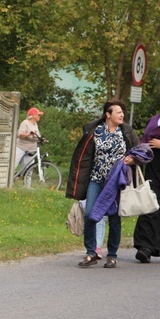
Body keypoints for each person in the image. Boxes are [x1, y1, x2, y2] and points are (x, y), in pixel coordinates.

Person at [66, 100, 139, 268]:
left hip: (116, 182)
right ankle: (91, 253)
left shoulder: (126, 132)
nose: (122, 115)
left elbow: (141, 151)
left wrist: (132, 159)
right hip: (96, 179)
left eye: (122, 112)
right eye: (118, 112)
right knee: (90, 214)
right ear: (108, 114)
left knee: (114, 218)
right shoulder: (95, 131)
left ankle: (112, 255)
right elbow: (84, 156)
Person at [133, 94, 160, 263]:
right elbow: (144, 144)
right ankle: (145, 247)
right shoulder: (153, 124)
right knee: (149, 209)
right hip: (154, 173)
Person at [15, 107, 43, 172]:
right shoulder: (25, 123)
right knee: (13, 166)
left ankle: (27, 182)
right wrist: (28, 134)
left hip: (31, 150)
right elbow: (20, 134)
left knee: (29, 171)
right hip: (20, 148)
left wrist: (41, 139)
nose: (40, 116)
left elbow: (37, 135)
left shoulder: (35, 124)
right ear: (33, 116)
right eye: (38, 115)